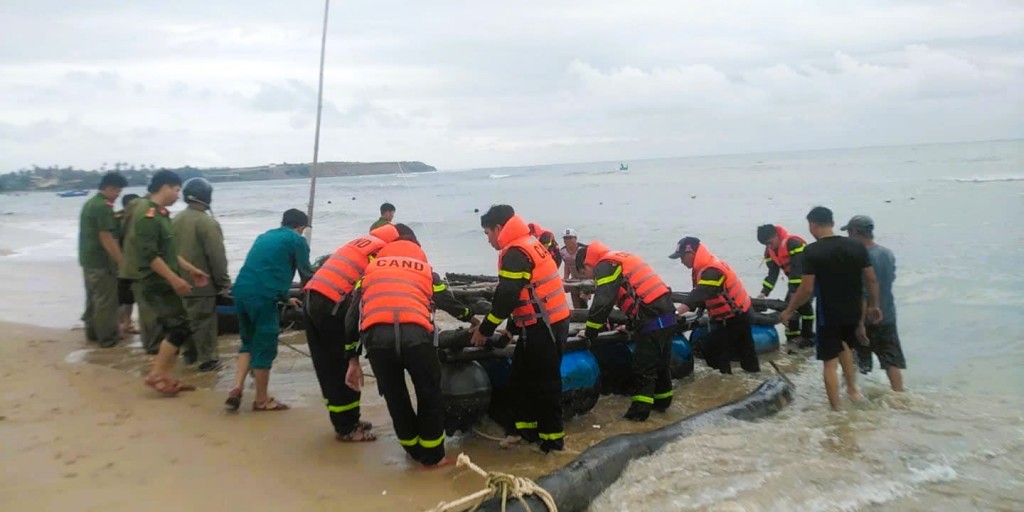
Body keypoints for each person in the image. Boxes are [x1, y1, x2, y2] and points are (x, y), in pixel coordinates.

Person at [344, 231, 477, 467]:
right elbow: (447, 302)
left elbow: (352, 316)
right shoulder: (425, 270)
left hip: (377, 340)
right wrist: (471, 318)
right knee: (429, 394)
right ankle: (433, 457)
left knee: (396, 397)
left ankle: (413, 451)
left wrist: (352, 358)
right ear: (417, 248)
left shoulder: (369, 272)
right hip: (416, 338)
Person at [470, 205, 570, 452]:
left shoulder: (516, 252)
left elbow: (507, 297)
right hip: (539, 324)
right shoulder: (528, 243)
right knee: (521, 380)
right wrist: (511, 330)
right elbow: (527, 295)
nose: (488, 240)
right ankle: (525, 433)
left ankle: (552, 442)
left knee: (546, 384)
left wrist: (484, 330)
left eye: (487, 234)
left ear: (498, 228)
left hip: (545, 326)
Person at [301, 222, 401, 442]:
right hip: (333, 305)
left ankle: (345, 420)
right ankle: (347, 428)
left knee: (326, 365)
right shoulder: (381, 254)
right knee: (343, 366)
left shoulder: (359, 244)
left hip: (311, 297)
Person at [781, 206, 882, 410]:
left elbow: (807, 289)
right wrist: (874, 305)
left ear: (812, 225)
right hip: (854, 310)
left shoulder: (812, 251)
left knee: (829, 362)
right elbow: (871, 279)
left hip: (829, 313)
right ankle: (852, 390)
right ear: (833, 223)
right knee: (845, 346)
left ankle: (836, 410)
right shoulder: (856, 246)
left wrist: (790, 309)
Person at [225, 209, 315, 411]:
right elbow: (307, 275)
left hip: (241, 291)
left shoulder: (265, 236)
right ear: (300, 227)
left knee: (248, 341)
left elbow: (266, 268)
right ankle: (262, 400)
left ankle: (236, 387)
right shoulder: (297, 240)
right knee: (265, 346)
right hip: (263, 296)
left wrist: (286, 298)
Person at [577, 241, 676, 421]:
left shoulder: (604, 266)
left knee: (644, 371)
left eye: (584, 273)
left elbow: (603, 303)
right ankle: (662, 407)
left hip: (652, 322)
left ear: (587, 264)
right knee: (661, 367)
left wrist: (590, 332)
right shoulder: (620, 260)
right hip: (668, 317)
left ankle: (637, 417)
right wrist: (630, 325)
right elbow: (638, 294)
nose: (590, 278)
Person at [136, 171, 211, 394]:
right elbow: (150, 256)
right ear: (165, 187)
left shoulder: (162, 215)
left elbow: (169, 252)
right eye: (176, 190)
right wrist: (175, 279)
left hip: (165, 280)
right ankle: (157, 374)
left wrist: (190, 269)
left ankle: (165, 376)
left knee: (178, 327)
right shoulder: (148, 216)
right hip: (156, 282)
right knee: (179, 327)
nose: (179, 195)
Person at [672, 237, 760, 374]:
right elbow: (701, 297)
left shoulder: (712, 270)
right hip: (725, 317)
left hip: (738, 316)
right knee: (718, 352)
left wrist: (675, 314)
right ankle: (729, 378)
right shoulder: (703, 267)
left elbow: (700, 294)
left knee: (744, 354)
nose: (681, 261)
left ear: (691, 253)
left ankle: (745, 378)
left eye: (682, 257)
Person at [172, 178, 231, 372]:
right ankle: (208, 361)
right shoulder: (207, 222)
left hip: (178, 282)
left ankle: (189, 356)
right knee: (204, 323)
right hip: (202, 283)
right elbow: (216, 256)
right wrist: (223, 281)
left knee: (187, 321)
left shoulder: (175, 220)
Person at [843, 215, 905, 392]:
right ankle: (899, 395)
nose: (848, 236)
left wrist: (860, 323)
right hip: (888, 315)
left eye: (849, 232)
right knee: (892, 361)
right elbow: (890, 279)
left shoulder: (859, 257)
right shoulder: (887, 253)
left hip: (865, 318)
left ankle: (850, 393)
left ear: (856, 232)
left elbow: (862, 292)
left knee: (855, 360)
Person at [78, 172, 128, 348]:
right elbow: (106, 237)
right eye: (117, 191)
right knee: (106, 301)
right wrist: (121, 261)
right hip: (101, 261)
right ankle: (108, 338)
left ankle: (92, 333)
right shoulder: (103, 207)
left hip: (88, 259)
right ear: (109, 188)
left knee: (93, 298)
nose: (118, 195)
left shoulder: (90, 203)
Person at [757, 224, 814, 349]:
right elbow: (773, 273)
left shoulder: (794, 243)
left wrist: (793, 293)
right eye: (765, 244)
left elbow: (797, 270)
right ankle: (792, 338)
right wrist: (764, 292)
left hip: (811, 279)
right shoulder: (769, 251)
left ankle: (808, 337)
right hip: (795, 281)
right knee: (788, 306)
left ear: (776, 235)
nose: (768, 246)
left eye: (769, 243)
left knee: (803, 306)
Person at [120, 191, 164, 354]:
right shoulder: (147, 212)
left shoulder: (134, 210)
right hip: (143, 269)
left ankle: (150, 343)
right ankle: (153, 346)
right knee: (149, 310)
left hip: (133, 267)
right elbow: (148, 248)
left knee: (144, 308)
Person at [116, 193, 140, 336]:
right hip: (119, 261)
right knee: (120, 295)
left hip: (132, 262)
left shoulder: (138, 219)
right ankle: (120, 323)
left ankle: (128, 322)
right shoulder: (118, 219)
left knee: (130, 296)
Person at [559, 228, 589, 308]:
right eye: (565, 238)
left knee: (583, 299)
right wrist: (565, 277)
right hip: (574, 278)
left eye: (570, 238)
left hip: (586, 278)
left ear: (575, 238)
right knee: (576, 302)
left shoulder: (584, 249)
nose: (567, 240)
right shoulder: (562, 251)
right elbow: (567, 264)